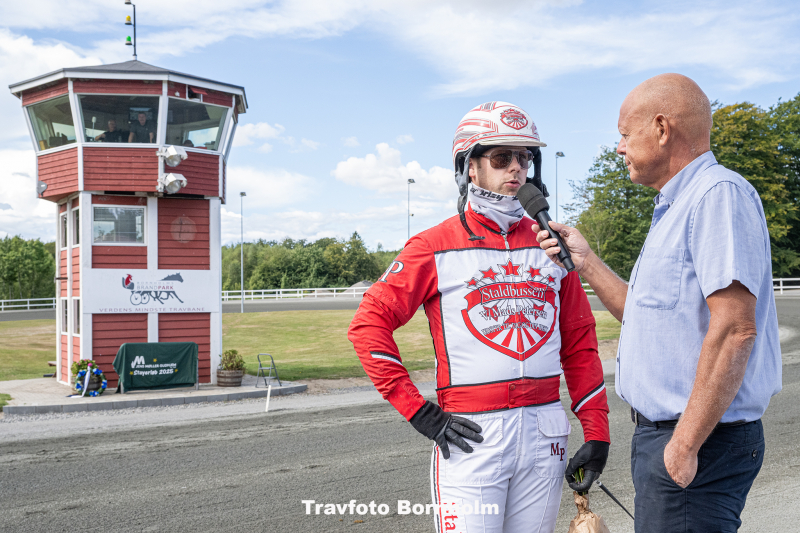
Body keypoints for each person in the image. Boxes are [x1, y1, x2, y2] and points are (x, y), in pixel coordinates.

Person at [348, 102, 610, 533]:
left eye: (525, 158)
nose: (517, 169)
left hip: (546, 436)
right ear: (470, 167)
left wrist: (597, 432)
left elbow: (580, 344)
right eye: (501, 158)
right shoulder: (431, 245)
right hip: (471, 435)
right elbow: (367, 326)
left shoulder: (553, 247)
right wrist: (419, 412)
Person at [536, 74, 781, 533]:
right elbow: (645, 317)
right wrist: (586, 261)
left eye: (625, 134)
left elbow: (735, 329)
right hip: (672, 437)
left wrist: (685, 444)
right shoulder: (676, 207)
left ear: (663, 129)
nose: (619, 148)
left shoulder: (716, 195)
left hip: (699, 440)